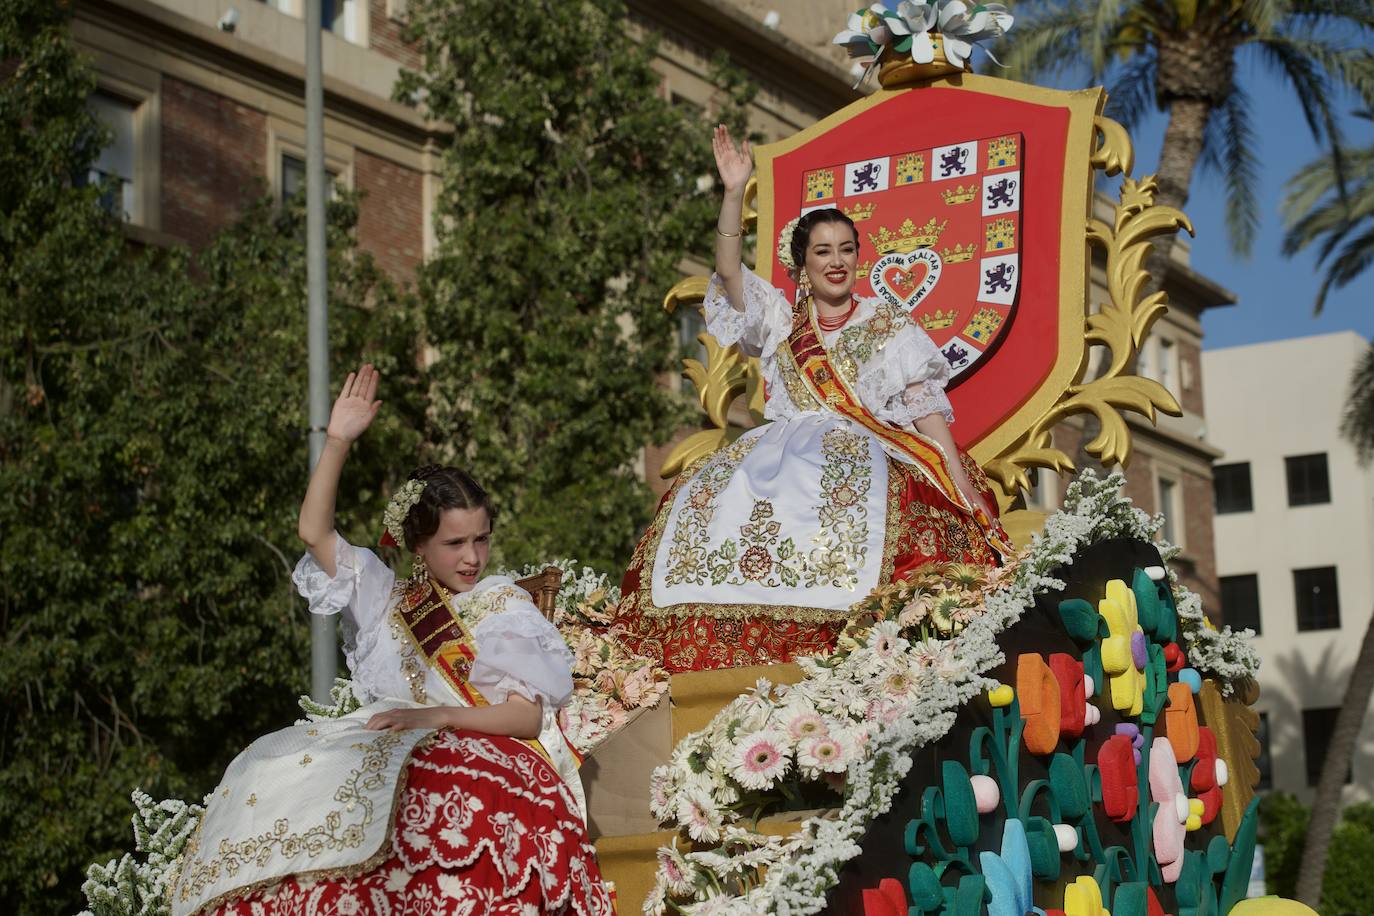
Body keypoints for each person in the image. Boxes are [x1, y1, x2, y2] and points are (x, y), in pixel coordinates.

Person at [170, 365, 611, 916]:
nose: (472, 558)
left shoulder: (503, 604)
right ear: (418, 546)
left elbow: (525, 720)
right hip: (390, 740)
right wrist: (336, 443)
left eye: (481, 539)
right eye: (455, 543)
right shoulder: (384, 599)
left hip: (481, 750)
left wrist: (436, 719)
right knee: (268, 765)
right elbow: (313, 532)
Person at [614, 126, 1010, 672]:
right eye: (823, 251)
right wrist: (734, 192)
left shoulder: (887, 324)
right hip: (778, 452)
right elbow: (729, 272)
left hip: (867, 451)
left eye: (847, 249)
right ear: (802, 264)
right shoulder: (780, 321)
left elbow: (923, 411)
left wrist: (959, 482)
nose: (837, 260)